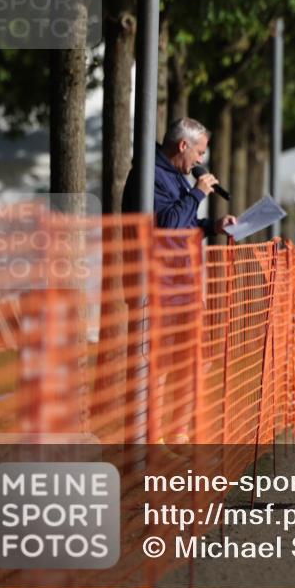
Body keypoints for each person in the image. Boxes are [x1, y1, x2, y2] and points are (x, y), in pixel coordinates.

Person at [121, 118, 237, 448]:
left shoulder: (177, 177)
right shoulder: (148, 175)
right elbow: (167, 227)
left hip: (181, 287)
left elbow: (182, 221)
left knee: (197, 357)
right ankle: (151, 440)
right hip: (157, 287)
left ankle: (177, 433)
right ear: (183, 146)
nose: (201, 161)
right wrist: (197, 193)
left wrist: (213, 225)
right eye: (199, 152)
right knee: (157, 364)